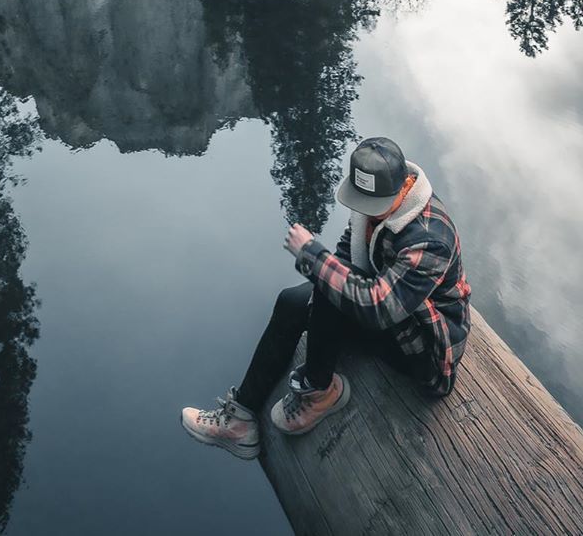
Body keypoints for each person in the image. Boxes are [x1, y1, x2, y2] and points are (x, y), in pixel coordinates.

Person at [180, 137, 471, 459]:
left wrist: (313, 256)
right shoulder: (373, 206)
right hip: (387, 312)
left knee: (326, 288)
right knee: (293, 300)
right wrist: (326, 272)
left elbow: (380, 308)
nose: (366, 213)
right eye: (363, 202)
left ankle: (321, 392)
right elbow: (347, 259)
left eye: (375, 206)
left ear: (405, 186)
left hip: (424, 346)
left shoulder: (430, 239)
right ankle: (240, 420)